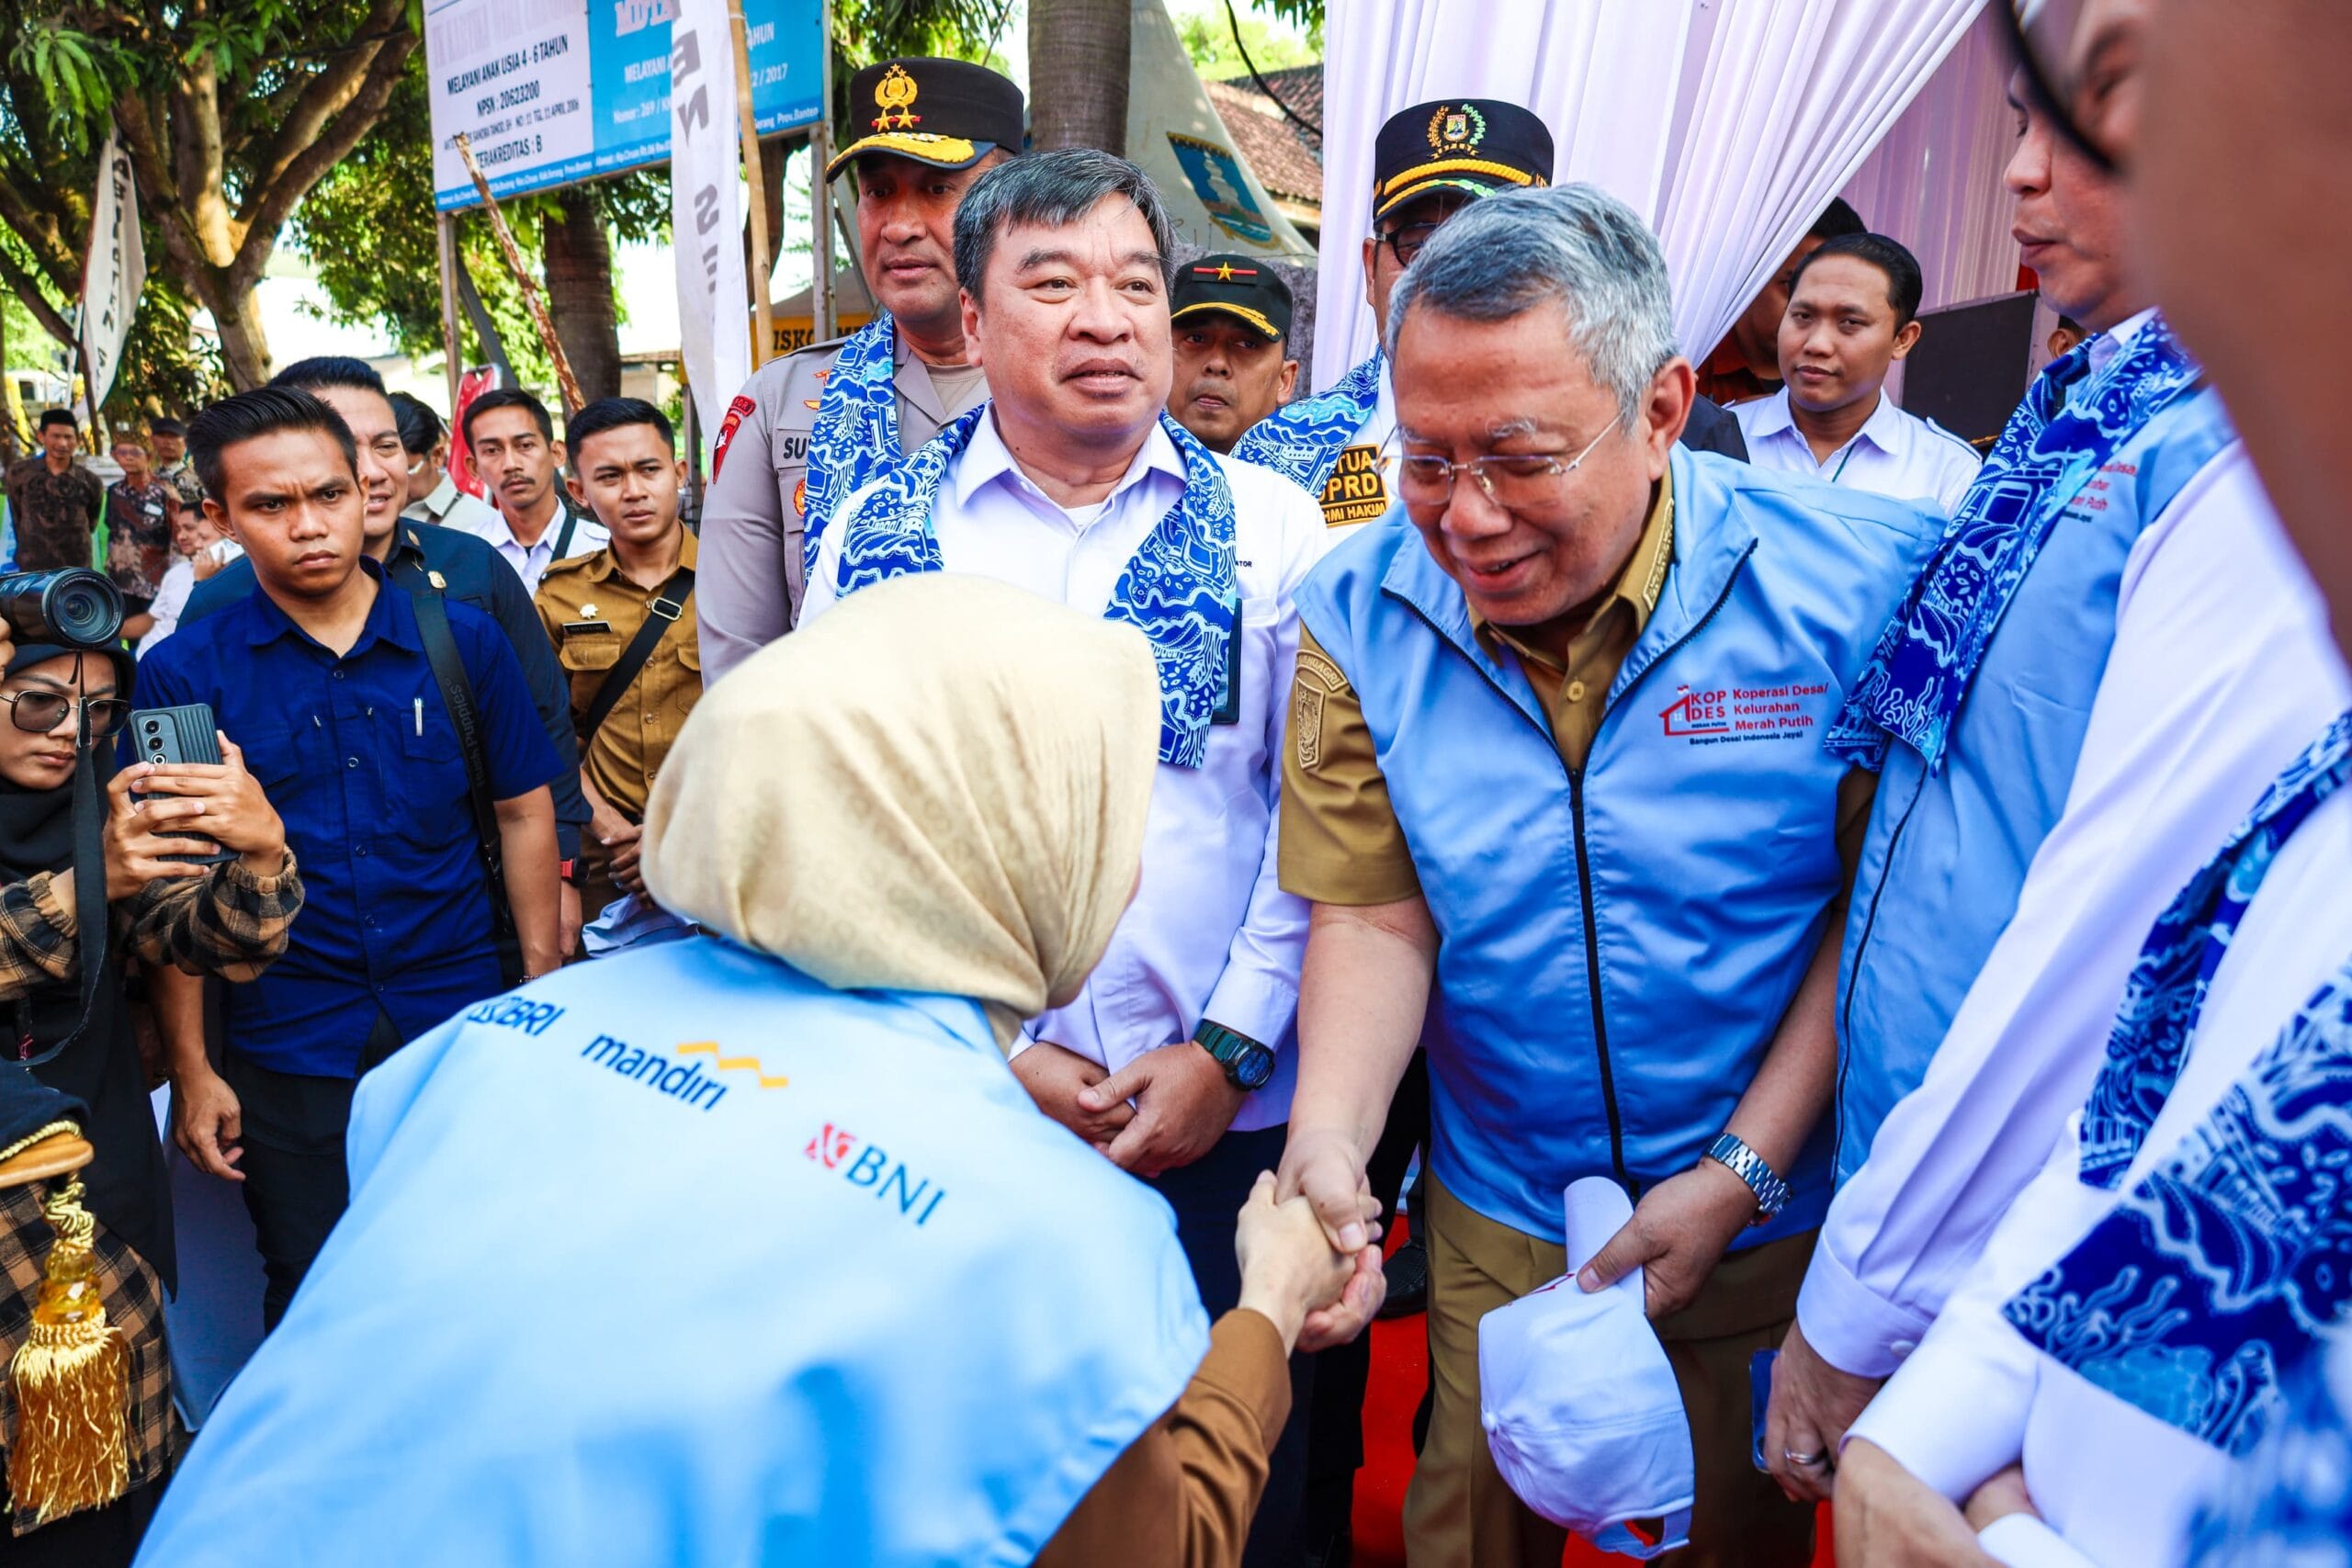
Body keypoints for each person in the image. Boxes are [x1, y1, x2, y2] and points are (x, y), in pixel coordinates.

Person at [131, 571, 1385, 1566]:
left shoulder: (491, 1043)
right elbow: (1151, 1541)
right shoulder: (1043, 1233)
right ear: (1033, 840)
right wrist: (1269, 1305)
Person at [1272, 183, 1939, 1568]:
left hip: (1762, 1214)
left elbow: (1871, 918)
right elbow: (1374, 906)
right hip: (1497, 1205)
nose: (1465, 518)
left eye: (1518, 456)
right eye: (1425, 457)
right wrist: (1330, 1136)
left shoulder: (1865, 586)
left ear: (1662, 405)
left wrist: (1744, 1167)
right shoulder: (1355, 606)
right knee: (1465, 1523)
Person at [806, 149, 1329, 1563]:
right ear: (971, 324)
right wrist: (999, 1049)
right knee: (1008, 1496)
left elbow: (1316, 820)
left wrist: (1231, 1045)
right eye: (1054, 283)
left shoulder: (1274, 529)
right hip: (970, 1106)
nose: (1107, 317)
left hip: (1224, 1104)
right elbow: (843, 822)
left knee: (1248, 1482)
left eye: (1136, 284)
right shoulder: (878, 535)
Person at [1761, 50, 2264, 1506]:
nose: (2021, 176)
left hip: (2015, 1197)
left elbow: (2107, 914)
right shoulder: (2082, 402)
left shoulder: (2227, 439)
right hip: (1911, 1131)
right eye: (2022, 125)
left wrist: (1864, 1289)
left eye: (2089, 123)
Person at [140, 387, 565, 1329]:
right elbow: (172, 884)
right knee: (317, 1292)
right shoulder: (178, 675)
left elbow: (522, 812)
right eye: (270, 506)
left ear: (372, 487)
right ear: (219, 517)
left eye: (328, 495)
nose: (309, 526)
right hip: (289, 1036)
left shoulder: (463, 639)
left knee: (490, 1271)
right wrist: (193, 1065)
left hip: (460, 1019)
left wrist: (539, 987)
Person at [0, 633, 300, 1564]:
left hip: (83, 1225)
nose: (69, 733)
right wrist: (90, 887)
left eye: (96, 714)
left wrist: (260, 854)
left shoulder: (101, 825)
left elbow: (226, 945)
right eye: (40, 702)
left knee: (85, 1504)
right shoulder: (98, 857)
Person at [181, 359, 593, 951]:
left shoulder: (472, 567)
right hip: (293, 952)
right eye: (348, 447)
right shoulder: (217, 609)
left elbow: (544, 731)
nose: (371, 470)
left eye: (387, 444)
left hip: (469, 923)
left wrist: (562, 873)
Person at [696, 56, 1025, 683]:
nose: (899, 226)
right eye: (878, 191)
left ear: (1014, 203)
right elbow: (740, 671)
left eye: (937, 188)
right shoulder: (779, 403)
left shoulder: (1073, 393)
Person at [1232, 98, 1556, 529]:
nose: (1447, 276)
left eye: (1488, 246)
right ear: (1371, 271)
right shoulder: (1276, 455)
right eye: (1419, 245)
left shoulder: (1593, 449)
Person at [534, 398, 700, 925]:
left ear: (678, 472)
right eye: (610, 476)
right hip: (608, 861)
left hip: (717, 844)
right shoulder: (559, 595)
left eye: (649, 469)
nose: (633, 490)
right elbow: (544, 734)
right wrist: (608, 827)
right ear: (579, 492)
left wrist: (680, 834)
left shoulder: (738, 578)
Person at [1733, 232, 1981, 513]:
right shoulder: (1716, 438)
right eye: (1803, 316)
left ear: (1902, 339)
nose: (1817, 344)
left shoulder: (1947, 472)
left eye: (1849, 322)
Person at [1700, 197, 1869, 407]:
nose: (1816, 309)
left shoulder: (1856, 383)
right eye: (1793, 285)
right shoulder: (1691, 360)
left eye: (1839, 296)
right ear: (1749, 276)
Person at [457, 389, 606, 593]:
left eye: (525, 445)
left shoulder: (603, 549)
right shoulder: (465, 556)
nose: (511, 464)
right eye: (492, 450)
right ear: (474, 468)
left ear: (556, 453)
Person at [1168, 254, 1299, 454]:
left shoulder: (1307, 484)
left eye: (1246, 344)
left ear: (1284, 380)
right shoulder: (1109, 477)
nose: (1217, 363)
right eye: (1196, 339)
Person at [136, 488, 239, 658]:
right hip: (147, 656)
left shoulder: (239, 583)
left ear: (232, 543)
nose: (197, 545)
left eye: (204, 538)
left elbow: (204, 636)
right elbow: (153, 619)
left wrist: (201, 583)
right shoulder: (178, 572)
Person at [389, 390, 502, 536]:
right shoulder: (367, 512)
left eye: (406, 471)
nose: (390, 483)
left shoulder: (482, 522)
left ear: (437, 456)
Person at [4, 412, 104, 572]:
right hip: (31, 568)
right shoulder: (19, 474)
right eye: (55, 436)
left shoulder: (89, 481)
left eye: (68, 437)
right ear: (41, 437)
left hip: (75, 570)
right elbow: (18, 517)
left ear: (77, 440)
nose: (63, 443)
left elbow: (91, 523)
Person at [102, 438, 172, 641]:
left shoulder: (164, 491)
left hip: (154, 581)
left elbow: (177, 537)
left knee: (155, 639)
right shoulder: (114, 491)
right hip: (121, 580)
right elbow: (110, 526)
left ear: (149, 457)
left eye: (135, 452)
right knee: (124, 636)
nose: (129, 457)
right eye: (122, 453)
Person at [148, 416, 202, 512]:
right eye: (162, 436)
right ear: (152, 440)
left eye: (173, 436)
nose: (167, 442)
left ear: (185, 442)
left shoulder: (200, 477)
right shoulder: (149, 478)